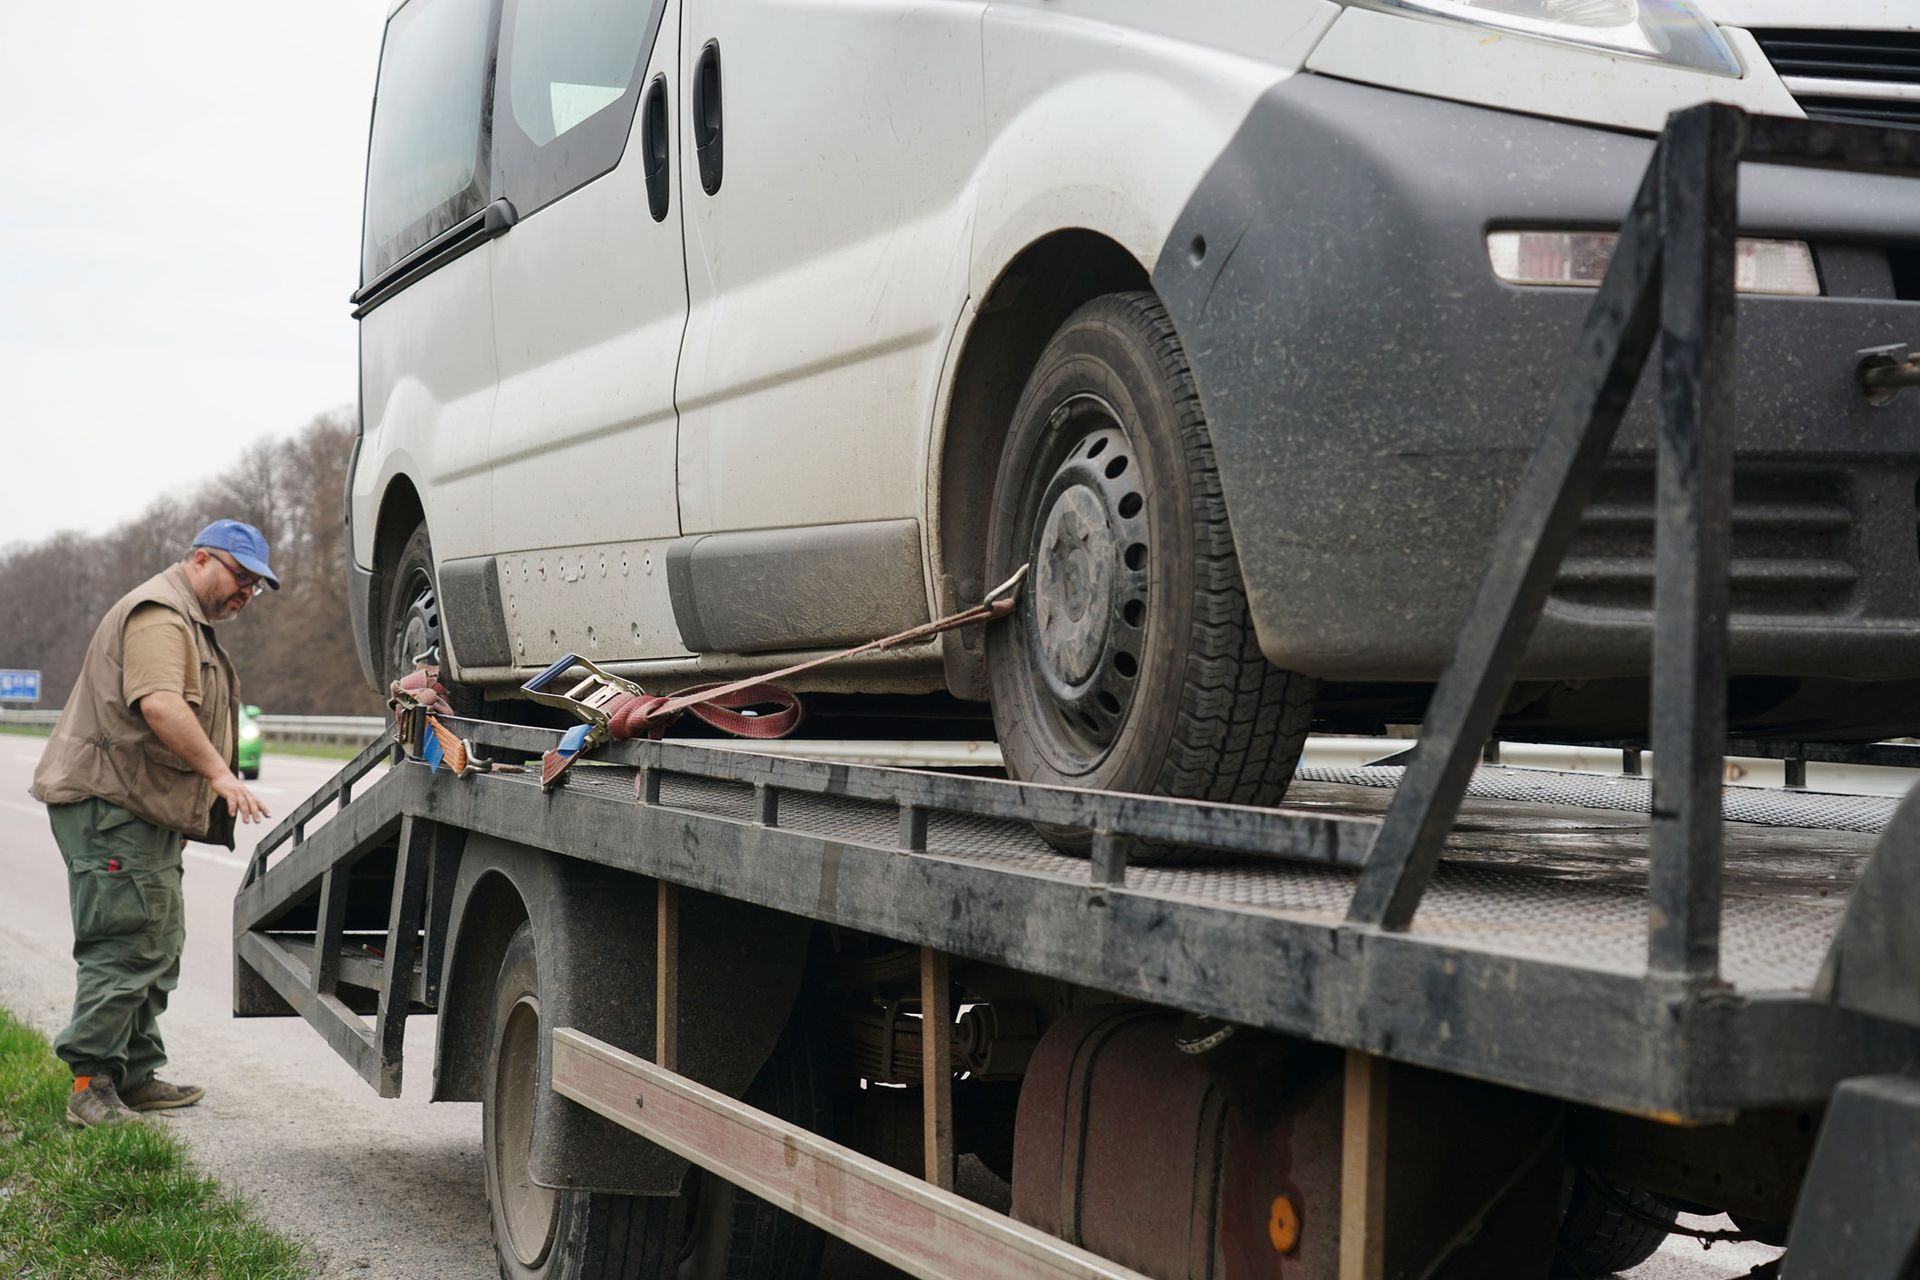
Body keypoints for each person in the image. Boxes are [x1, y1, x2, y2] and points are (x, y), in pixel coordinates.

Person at [29, 520, 278, 1127]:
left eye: (255, 585)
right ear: (199, 560)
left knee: (157, 942)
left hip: (141, 808)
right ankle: (90, 1084)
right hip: (112, 806)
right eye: (238, 575)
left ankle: (134, 1074)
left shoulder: (188, 620)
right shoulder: (161, 615)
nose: (244, 592)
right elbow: (161, 703)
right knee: (125, 942)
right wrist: (221, 775)